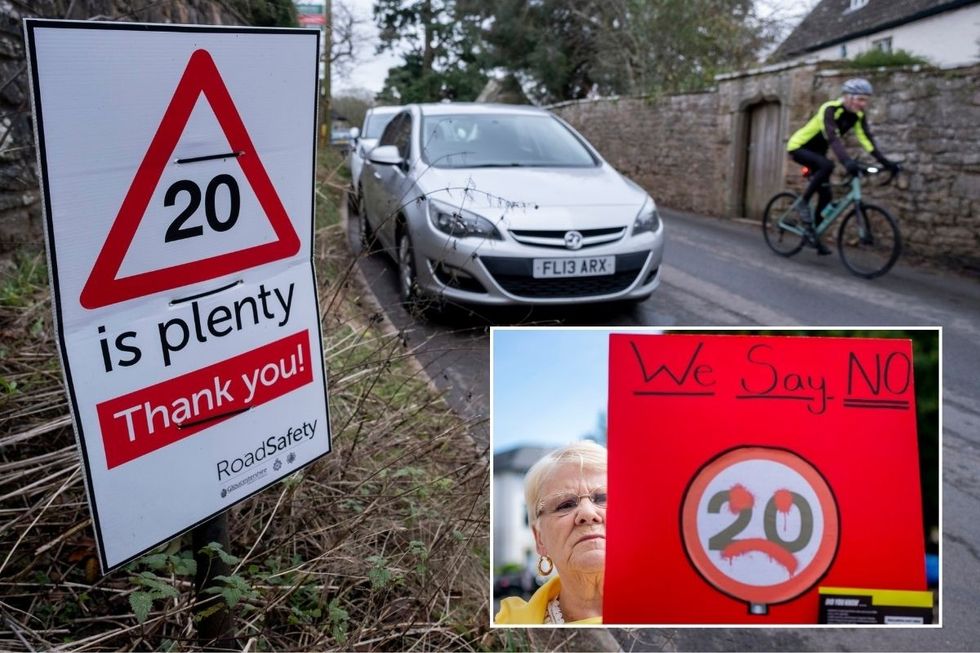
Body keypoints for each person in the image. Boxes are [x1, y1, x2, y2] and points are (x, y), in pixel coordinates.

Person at [495, 441, 606, 625]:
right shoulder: (509, 623)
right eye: (565, 504)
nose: (587, 513)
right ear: (539, 539)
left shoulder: (669, 607)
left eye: (603, 498)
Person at [786, 78, 901, 255]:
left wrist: (886, 163)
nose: (863, 104)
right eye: (860, 99)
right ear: (848, 97)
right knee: (828, 165)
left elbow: (866, 141)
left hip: (818, 154)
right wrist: (847, 161)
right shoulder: (830, 109)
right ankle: (803, 203)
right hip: (800, 147)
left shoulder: (858, 116)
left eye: (866, 100)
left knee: (826, 195)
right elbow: (832, 137)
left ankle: (813, 235)